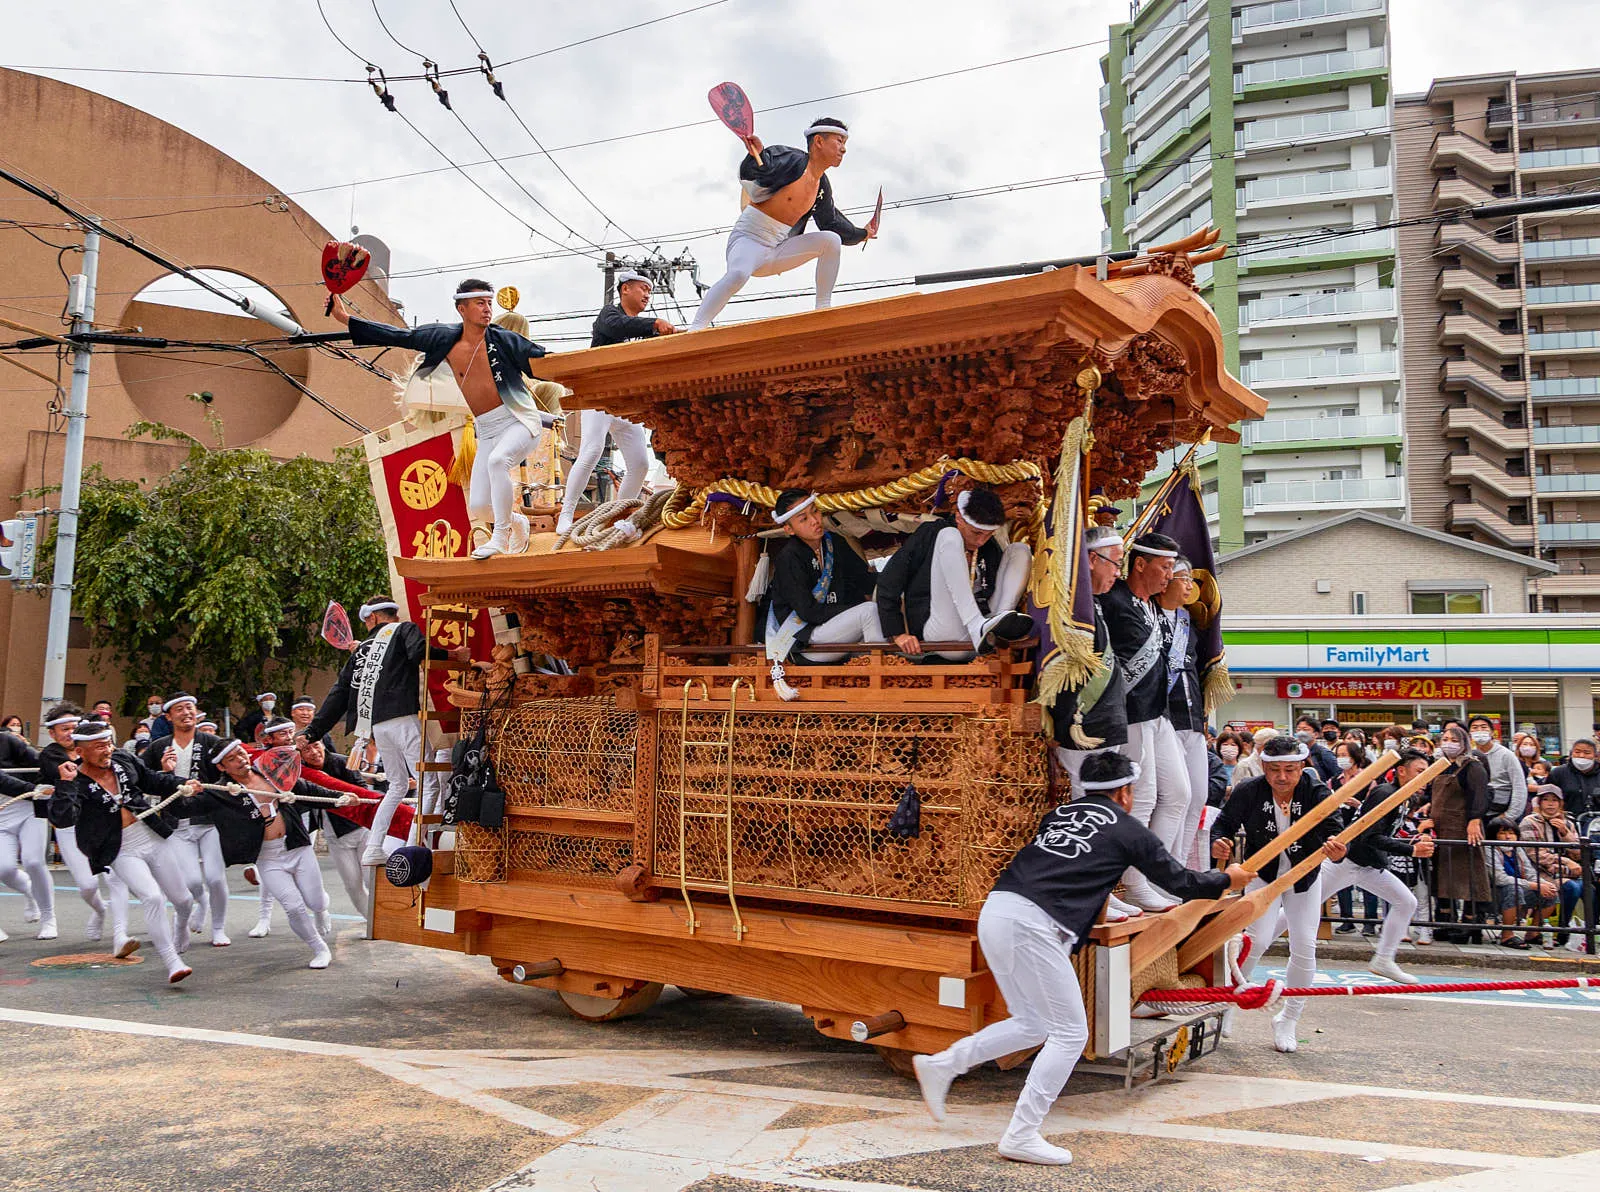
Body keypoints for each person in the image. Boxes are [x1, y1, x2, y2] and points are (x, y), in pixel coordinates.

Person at [911, 749, 1247, 1166]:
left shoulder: (1061, 815)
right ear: (1125, 792)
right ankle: (1021, 1134)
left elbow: (1080, 872)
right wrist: (1226, 879)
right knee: (1070, 1034)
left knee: (1032, 1023)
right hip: (1033, 926)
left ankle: (942, 1065)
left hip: (998, 911)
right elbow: (1180, 882)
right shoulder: (1128, 829)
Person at [332, 278, 552, 560]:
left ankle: (501, 536)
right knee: (480, 506)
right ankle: (517, 521)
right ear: (462, 308)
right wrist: (346, 319)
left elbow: (545, 362)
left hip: (519, 420)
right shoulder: (443, 338)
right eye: (479, 303)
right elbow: (399, 336)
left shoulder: (504, 340)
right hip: (486, 429)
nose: (487, 309)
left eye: (489, 303)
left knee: (499, 461)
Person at [302, 598, 469, 865]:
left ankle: (374, 848)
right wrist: (453, 655)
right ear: (389, 615)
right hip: (404, 717)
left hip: (377, 726)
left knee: (397, 786)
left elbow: (339, 694)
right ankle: (413, 849)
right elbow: (418, 652)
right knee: (426, 785)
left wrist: (312, 732)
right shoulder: (404, 629)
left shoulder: (361, 651)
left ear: (372, 619)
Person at [1211, 735, 1347, 1053]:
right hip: (1262, 876)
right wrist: (1219, 841)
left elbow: (1337, 831)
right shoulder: (1249, 790)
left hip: (1304, 877)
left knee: (1304, 945)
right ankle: (1230, 1003)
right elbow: (1223, 825)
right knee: (1254, 941)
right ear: (1263, 766)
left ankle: (1289, 1018)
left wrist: (1337, 849)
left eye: (1290, 769)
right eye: (1275, 770)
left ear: (1302, 767)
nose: (1282, 777)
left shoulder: (1316, 791)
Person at [50, 717, 201, 983]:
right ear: (80, 751)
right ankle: (172, 961)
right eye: (98, 746)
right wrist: (64, 784)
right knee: (153, 898)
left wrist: (183, 783)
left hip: (151, 835)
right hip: (120, 848)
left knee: (184, 900)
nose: (106, 750)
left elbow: (151, 780)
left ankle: (181, 925)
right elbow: (62, 818)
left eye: (108, 744)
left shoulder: (123, 761)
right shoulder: (74, 779)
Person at [690, 117, 875, 329]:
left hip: (778, 249)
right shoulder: (791, 159)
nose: (843, 149)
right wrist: (756, 156)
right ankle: (696, 327)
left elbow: (832, 221)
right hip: (748, 240)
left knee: (831, 240)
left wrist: (862, 234)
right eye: (839, 141)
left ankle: (823, 309)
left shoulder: (821, 185)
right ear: (819, 141)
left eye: (845, 144)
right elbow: (761, 168)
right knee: (738, 274)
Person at [198, 739, 356, 969]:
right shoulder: (221, 792)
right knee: (293, 906)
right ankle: (319, 948)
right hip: (268, 857)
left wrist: (339, 798)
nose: (241, 760)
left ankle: (321, 910)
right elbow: (186, 807)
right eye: (232, 759)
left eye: (241, 753)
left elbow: (306, 789)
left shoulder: (268, 771)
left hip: (297, 847)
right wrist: (185, 787)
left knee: (316, 900)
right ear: (222, 767)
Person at [1098, 531, 1192, 911]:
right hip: (1131, 715)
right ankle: (1126, 883)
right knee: (1143, 797)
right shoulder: (1113, 601)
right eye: (1165, 567)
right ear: (1140, 564)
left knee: (1180, 795)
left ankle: (1152, 876)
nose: (1170, 576)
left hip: (1159, 714)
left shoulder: (1150, 606)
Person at [556, 270, 675, 538]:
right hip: (599, 400)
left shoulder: (645, 331)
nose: (647, 294)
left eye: (649, 290)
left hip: (626, 406)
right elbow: (617, 327)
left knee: (639, 463)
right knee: (592, 450)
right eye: (642, 288)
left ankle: (616, 514)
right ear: (625, 289)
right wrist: (654, 324)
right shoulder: (608, 316)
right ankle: (565, 514)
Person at [1318, 749, 1436, 983]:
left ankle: (1383, 959)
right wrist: (1411, 850)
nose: (1425, 778)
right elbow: (1369, 836)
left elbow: (1385, 833)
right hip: (1346, 862)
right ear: (1401, 771)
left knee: (1406, 901)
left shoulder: (1405, 796)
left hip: (1369, 865)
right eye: (1420, 772)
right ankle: (1254, 940)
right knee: (1301, 908)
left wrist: (1411, 839)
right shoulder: (1385, 793)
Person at [875, 489, 1032, 662]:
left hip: (983, 637)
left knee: (1019, 550)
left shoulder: (987, 545)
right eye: (977, 533)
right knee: (949, 535)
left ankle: (998, 624)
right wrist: (897, 634)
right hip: (945, 634)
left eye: (988, 535)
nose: (981, 541)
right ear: (959, 518)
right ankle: (976, 625)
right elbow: (889, 580)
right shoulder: (933, 532)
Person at [142, 693, 232, 947]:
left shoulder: (211, 741)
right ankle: (201, 901)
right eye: (179, 709)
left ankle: (218, 927)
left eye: (190, 708)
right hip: (176, 823)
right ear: (168, 716)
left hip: (209, 819)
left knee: (215, 877)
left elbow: (227, 775)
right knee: (192, 880)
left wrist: (210, 789)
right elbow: (143, 778)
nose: (186, 713)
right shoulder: (158, 746)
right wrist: (164, 772)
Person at [1156, 555, 1209, 870]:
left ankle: (1179, 867)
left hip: (1194, 721)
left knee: (1198, 797)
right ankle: (1161, 870)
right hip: (1166, 718)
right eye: (1184, 577)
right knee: (1175, 797)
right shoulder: (1150, 616)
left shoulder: (1190, 623)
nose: (1190, 584)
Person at [294, 736, 376, 916]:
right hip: (335, 836)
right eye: (307, 750)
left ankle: (384, 921)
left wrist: (344, 795)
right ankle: (371, 922)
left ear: (323, 744)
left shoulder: (342, 762)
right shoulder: (301, 774)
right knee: (352, 885)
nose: (314, 752)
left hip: (362, 829)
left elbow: (363, 789)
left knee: (373, 879)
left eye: (316, 746)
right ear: (300, 755)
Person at [1427, 723, 1492, 943]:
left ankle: (1471, 922)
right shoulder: (1440, 765)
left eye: (1454, 740)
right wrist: (1427, 806)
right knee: (1444, 876)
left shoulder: (1472, 766)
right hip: (1441, 829)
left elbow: (1480, 794)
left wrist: (1474, 820)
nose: (1449, 744)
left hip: (1464, 828)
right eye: (1445, 739)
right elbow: (1431, 792)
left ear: (1464, 743)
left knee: (1469, 875)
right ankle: (1445, 920)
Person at [1519, 784, 1584, 947]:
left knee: (1590, 889)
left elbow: (1579, 853)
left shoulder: (1567, 822)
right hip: (1541, 872)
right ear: (1539, 803)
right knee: (1571, 888)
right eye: (1546, 800)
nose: (1550, 804)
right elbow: (1537, 856)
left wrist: (1565, 833)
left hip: (1569, 872)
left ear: (1560, 803)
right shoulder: (1529, 822)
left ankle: (1585, 932)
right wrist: (1567, 865)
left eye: (1554, 800)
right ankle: (1560, 930)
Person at [1488, 815, 1552, 949]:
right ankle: (1507, 935)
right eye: (1502, 833)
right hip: (1494, 893)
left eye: (1511, 833)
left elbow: (1530, 874)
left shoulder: (1518, 849)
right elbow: (1500, 879)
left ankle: (1533, 933)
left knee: (1551, 892)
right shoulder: (1489, 849)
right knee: (1513, 889)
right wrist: (1534, 885)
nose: (1508, 837)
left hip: (1520, 888)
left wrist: (1543, 884)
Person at [1469, 715, 1528, 821]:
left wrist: (1509, 816)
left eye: (1483, 727)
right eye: (1475, 727)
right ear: (1470, 733)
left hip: (1501, 814)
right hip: (1476, 816)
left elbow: (1519, 787)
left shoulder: (1507, 755)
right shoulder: (1468, 756)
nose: (1479, 730)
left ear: (1492, 732)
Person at [1548, 738, 1598, 821]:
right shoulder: (1558, 773)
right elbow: (1547, 798)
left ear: (1595, 756)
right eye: (1577, 752)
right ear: (1571, 754)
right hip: (1566, 822)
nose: (1581, 756)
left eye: (1587, 753)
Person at [1293, 716, 1341, 783]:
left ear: (1316, 734)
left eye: (1305, 729)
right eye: (1298, 729)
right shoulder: (1294, 754)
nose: (1301, 732)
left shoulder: (1324, 754)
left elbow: (1339, 775)